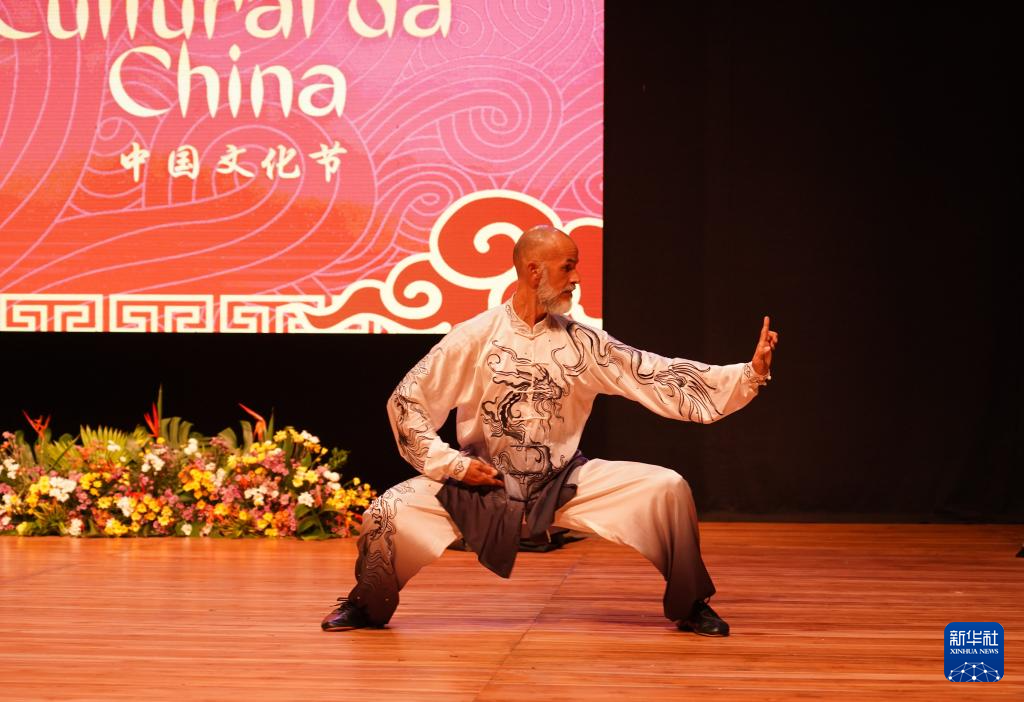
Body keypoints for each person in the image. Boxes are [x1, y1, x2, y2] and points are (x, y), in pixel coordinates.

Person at [321, 224, 779, 636]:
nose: (576, 278)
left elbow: (655, 375)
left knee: (667, 487)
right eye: (568, 267)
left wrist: (747, 374)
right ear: (534, 270)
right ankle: (367, 605)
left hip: (562, 481)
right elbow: (407, 402)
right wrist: (453, 466)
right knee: (389, 510)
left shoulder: (583, 342)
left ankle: (690, 603)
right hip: (483, 483)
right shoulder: (475, 337)